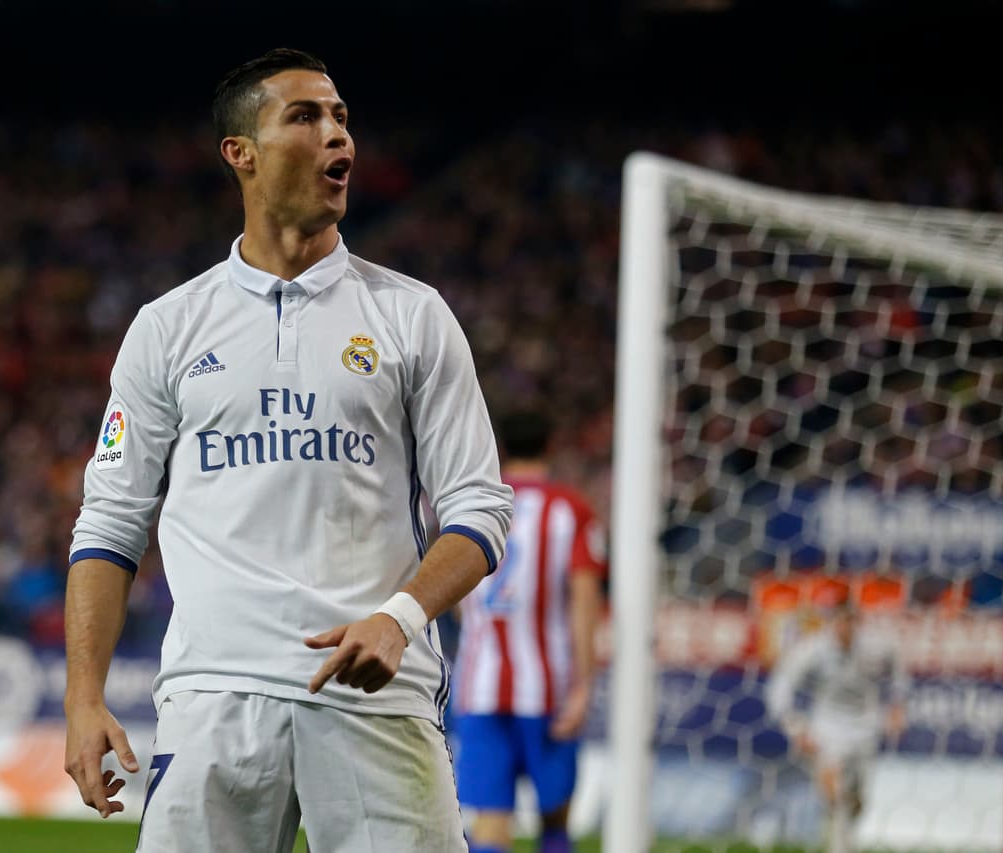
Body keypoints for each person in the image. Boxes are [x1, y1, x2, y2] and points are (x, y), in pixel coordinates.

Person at [61, 47, 513, 853]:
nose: (338, 136)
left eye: (342, 118)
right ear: (242, 152)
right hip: (215, 699)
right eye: (306, 117)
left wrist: (399, 618)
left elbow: (481, 508)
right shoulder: (168, 327)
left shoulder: (413, 316)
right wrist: (82, 696)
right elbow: (111, 521)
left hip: (378, 695)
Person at [450, 409, 607, 853]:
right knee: (554, 815)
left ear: (501, 447)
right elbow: (584, 600)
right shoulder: (569, 508)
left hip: (479, 686)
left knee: (490, 821)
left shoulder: (475, 503)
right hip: (547, 688)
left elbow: (461, 599)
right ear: (552, 445)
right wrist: (583, 684)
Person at [765, 594, 908, 853]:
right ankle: (836, 845)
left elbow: (899, 668)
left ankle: (844, 839)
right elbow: (781, 686)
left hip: (866, 726)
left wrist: (898, 705)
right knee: (834, 793)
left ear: (859, 622)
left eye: (851, 621)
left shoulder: (878, 646)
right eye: (840, 622)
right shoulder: (813, 649)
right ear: (832, 622)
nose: (846, 628)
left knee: (858, 801)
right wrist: (795, 728)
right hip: (828, 726)